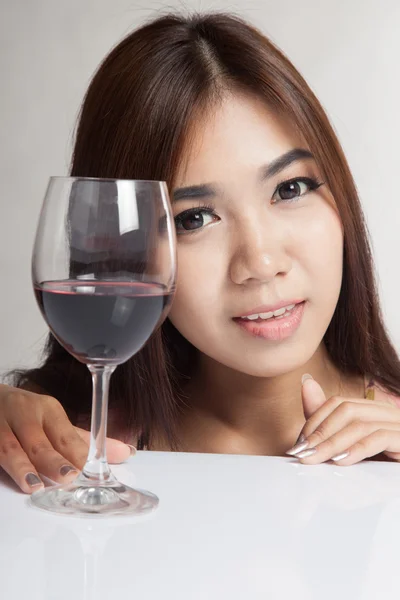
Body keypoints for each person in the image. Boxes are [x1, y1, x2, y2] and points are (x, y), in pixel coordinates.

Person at [2, 11, 400, 495]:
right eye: (194, 218)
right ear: (121, 245)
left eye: (290, 188)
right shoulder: (70, 444)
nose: (260, 262)